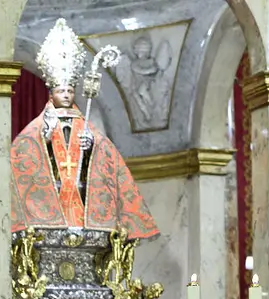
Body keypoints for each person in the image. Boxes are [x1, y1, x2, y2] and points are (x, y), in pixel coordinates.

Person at [10, 19, 159, 241]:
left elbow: (106, 159)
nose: (66, 95)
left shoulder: (85, 125)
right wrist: (44, 139)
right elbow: (23, 156)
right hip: (50, 201)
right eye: (61, 91)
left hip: (80, 198)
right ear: (51, 93)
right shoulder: (38, 127)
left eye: (70, 90)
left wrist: (91, 147)